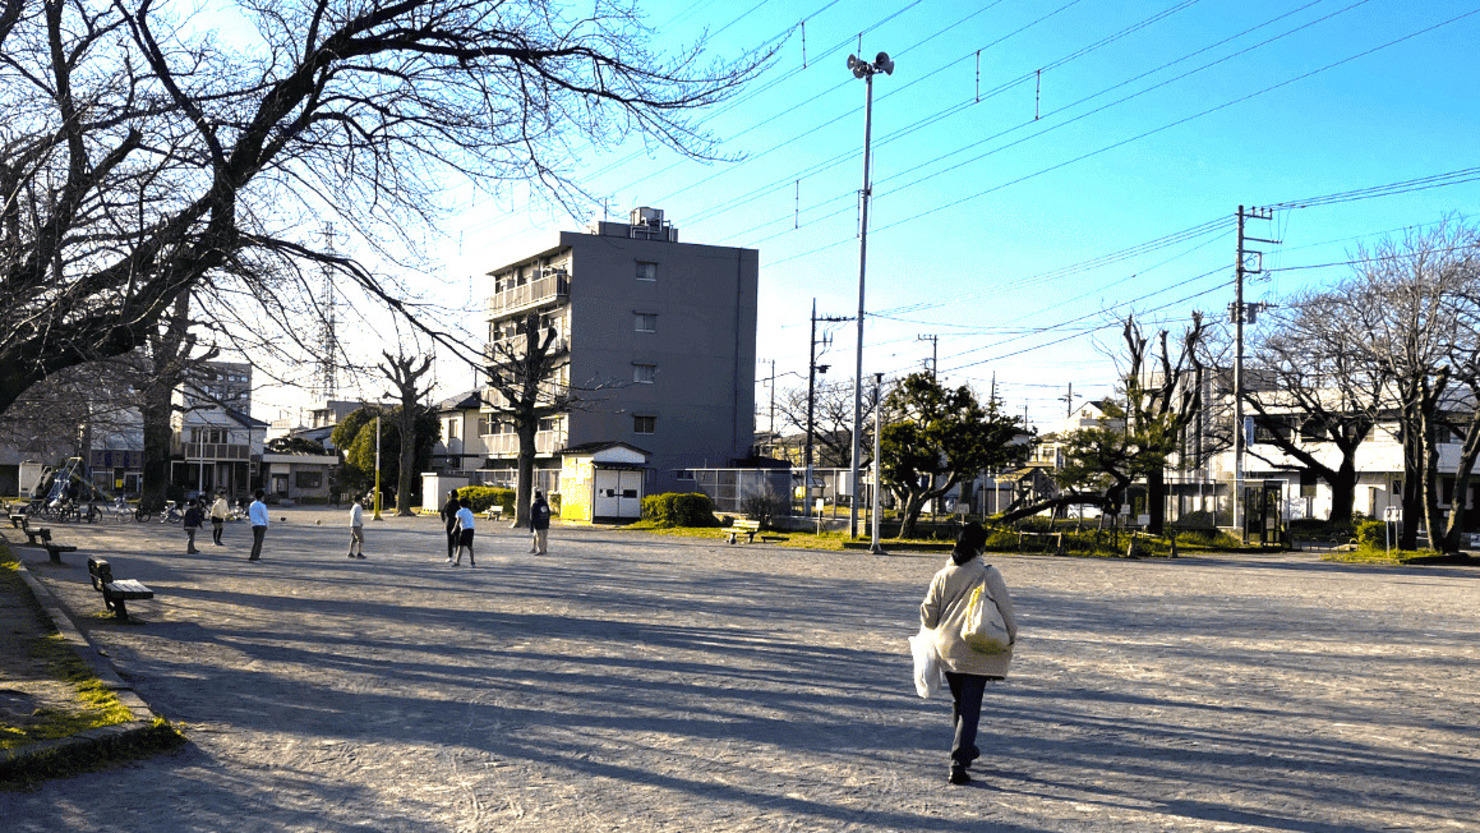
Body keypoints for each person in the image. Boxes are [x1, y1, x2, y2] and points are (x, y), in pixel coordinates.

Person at [919, 522, 1018, 786]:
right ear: (980, 546)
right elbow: (1007, 610)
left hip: (948, 650)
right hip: (977, 646)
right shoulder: (989, 574)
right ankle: (958, 763)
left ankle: (966, 749)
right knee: (970, 709)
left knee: (961, 704)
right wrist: (1011, 637)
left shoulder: (942, 575)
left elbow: (928, 616)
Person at [451, 497, 476, 567]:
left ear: (460, 505)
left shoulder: (459, 512)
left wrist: (454, 529)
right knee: (470, 546)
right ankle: (472, 562)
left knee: (460, 546)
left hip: (465, 529)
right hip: (471, 529)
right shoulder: (469, 511)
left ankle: (457, 562)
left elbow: (458, 520)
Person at [248, 489, 269, 562]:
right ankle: (256, 557)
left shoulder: (252, 504)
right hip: (261, 525)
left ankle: (252, 555)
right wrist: (267, 524)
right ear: (262, 497)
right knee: (259, 542)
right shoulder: (262, 505)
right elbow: (265, 516)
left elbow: (250, 515)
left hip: (254, 525)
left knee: (255, 541)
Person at [440, 489, 461, 561]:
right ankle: (457, 556)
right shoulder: (459, 504)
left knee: (450, 540)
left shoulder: (448, 504)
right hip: (458, 524)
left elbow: (442, 513)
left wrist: (444, 521)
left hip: (449, 523)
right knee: (457, 540)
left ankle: (450, 556)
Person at [528, 490, 551, 555]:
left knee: (539, 537)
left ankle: (541, 550)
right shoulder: (545, 503)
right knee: (544, 537)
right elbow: (549, 513)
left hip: (538, 524)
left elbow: (532, 516)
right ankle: (544, 549)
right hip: (545, 523)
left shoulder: (535, 505)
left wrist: (532, 526)